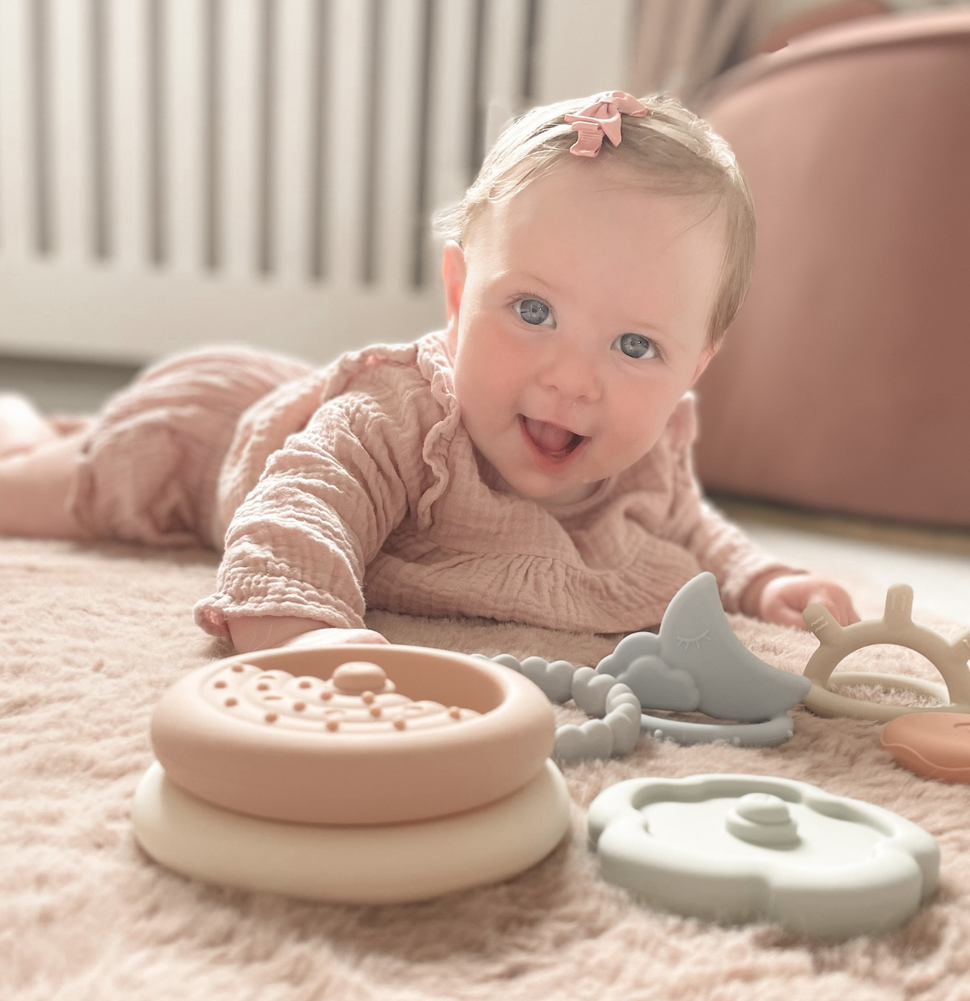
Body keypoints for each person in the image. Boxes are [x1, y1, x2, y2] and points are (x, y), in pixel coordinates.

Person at [0, 91, 857, 654]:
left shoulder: (648, 445)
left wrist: (762, 580)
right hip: (201, 437)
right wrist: (306, 636)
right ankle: (32, 436)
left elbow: (689, 529)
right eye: (532, 311)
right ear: (458, 293)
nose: (571, 379)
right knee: (40, 494)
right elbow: (299, 507)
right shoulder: (396, 419)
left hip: (273, 403)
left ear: (693, 367)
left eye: (635, 348)